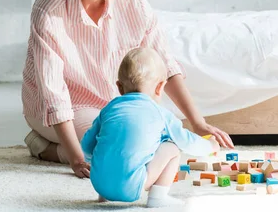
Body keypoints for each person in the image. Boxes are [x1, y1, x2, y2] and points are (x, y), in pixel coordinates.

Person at [22, 0, 233, 179]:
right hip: (66, 107)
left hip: (114, 104)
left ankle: (63, 145)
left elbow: (163, 62)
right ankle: (46, 147)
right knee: (120, 146)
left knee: (159, 135)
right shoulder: (50, 8)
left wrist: (197, 123)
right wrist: (76, 160)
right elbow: (53, 93)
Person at [81, 47, 219, 207]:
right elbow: (186, 141)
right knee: (172, 147)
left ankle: (104, 197)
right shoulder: (160, 113)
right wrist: (210, 146)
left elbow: (87, 144)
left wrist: (97, 161)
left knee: (111, 145)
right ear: (160, 87)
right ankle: (157, 198)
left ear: (119, 87)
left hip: (99, 183)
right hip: (131, 189)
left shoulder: (109, 109)